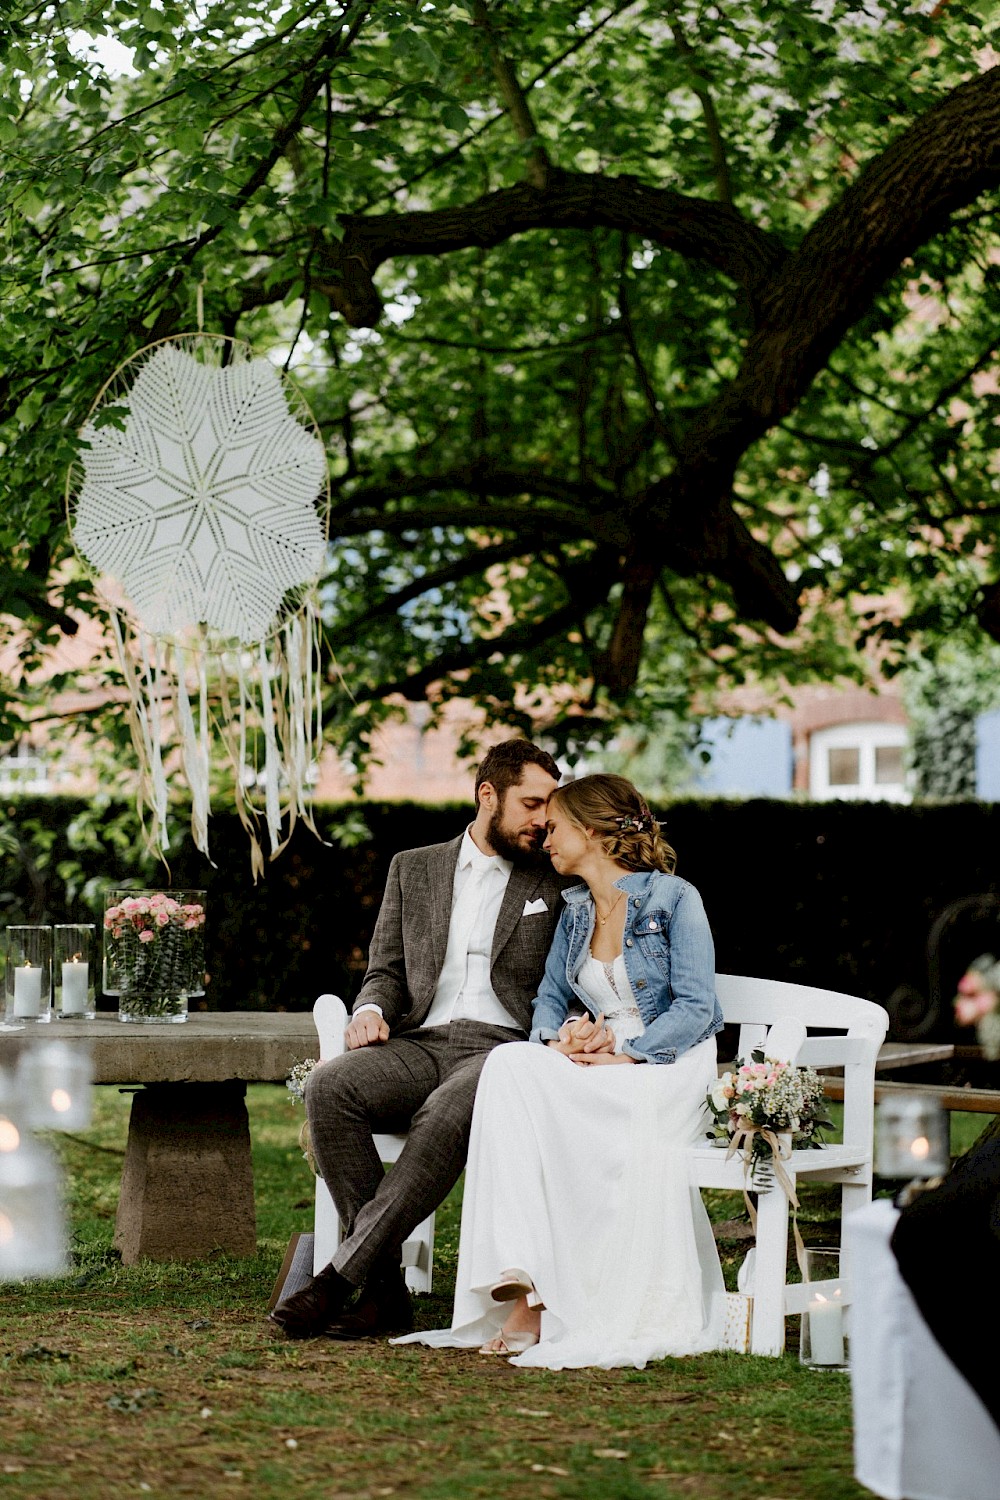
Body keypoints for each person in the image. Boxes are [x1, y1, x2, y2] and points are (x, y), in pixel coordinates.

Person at [395, 773, 726, 1369]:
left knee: (534, 1093)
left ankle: (541, 1303)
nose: (545, 837)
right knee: (512, 1065)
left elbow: (698, 1008)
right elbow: (550, 1000)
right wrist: (561, 1037)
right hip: (601, 1059)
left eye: (558, 827)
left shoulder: (676, 899)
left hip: (666, 1062)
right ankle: (526, 1280)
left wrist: (629, 1053)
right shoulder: (574, 911)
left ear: (594, 833)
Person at [269, 738, 569, 1341]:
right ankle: (385, 1289)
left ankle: (334, 1281)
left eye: (549, 805)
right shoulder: (414, 866)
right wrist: (371, 1008)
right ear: (488, 794)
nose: (544, 819)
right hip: (419, 1040)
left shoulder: (556, 877)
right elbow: (384, 968)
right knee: (330, 1087)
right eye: (531, 803)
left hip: (503, 1048)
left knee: (443, 1113)